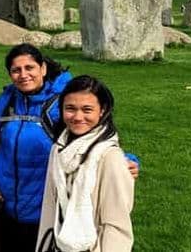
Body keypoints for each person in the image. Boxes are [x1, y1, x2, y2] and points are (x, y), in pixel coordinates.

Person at [0, 44, 140, 252]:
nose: (23, 75)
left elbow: (92, 139)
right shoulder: (6, 102)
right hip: (7, 210)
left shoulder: (64, 103)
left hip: (46, 210)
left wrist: (126, 160)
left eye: (29, 67)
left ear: (43, 68)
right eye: (16, 70)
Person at [37, 76, 134, 252]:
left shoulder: (110, 157)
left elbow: (116, 225)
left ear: (102, 111)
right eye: (70, 109)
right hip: (58, 244)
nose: (77, 117)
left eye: (87, 109)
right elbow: (50, 207)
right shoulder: (58, 149)